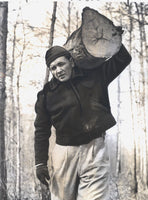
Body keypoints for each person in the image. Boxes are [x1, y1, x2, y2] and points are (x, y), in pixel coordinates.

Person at [34, 44, 132, 200]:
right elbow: (41, 130)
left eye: (61, 64)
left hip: (94, 149)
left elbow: (123, 58)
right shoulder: (46, 95)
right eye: (53, 68)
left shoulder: (94, 76)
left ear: (71, 62)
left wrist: (113, 38)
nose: (58, 70)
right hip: (64, 154)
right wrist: (40, 163)